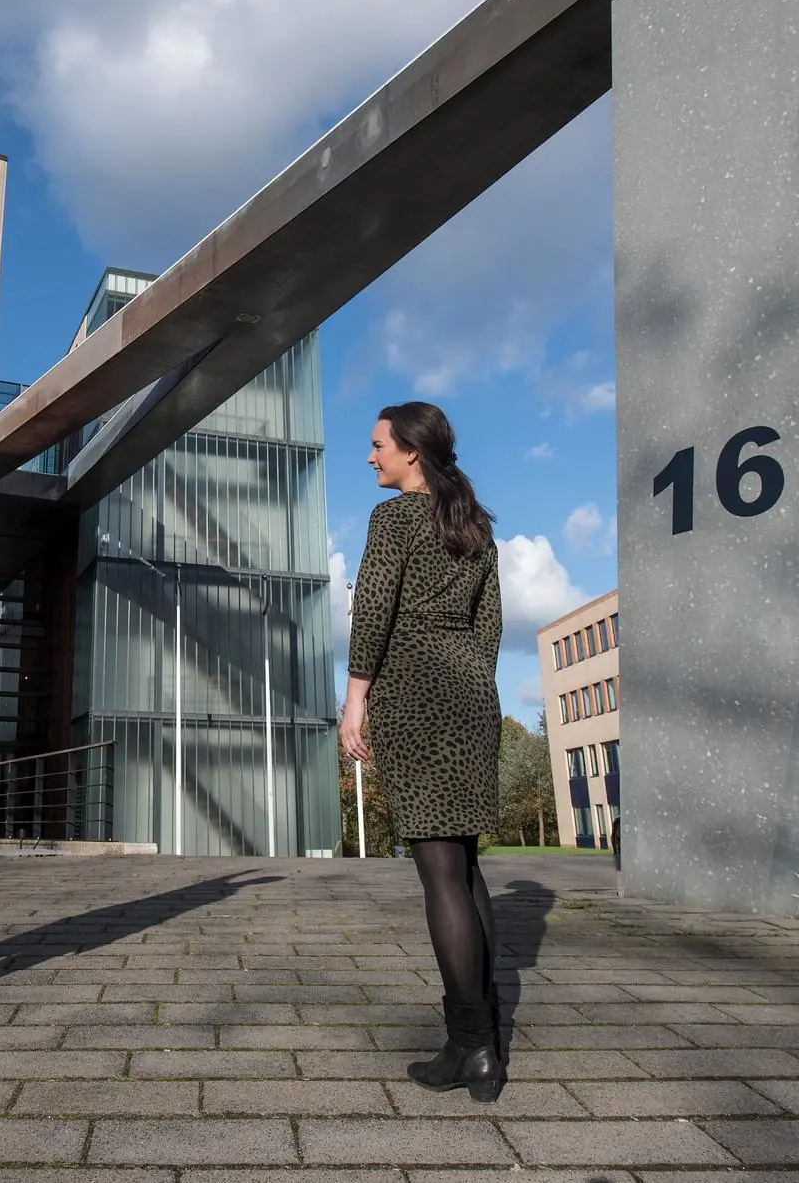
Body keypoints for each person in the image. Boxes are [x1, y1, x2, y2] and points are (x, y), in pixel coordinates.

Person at [339, 401, 505, 1103]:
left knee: (439, 873)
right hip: (471, 692)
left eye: (377, 445)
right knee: (465, 867)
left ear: (411, 450)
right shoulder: (475, 524)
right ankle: (486, 1035)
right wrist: (471, 680)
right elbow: (491, 625)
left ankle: (470, 1047)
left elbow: (373, 606)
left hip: (414, 691)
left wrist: (356, 697)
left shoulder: (394, 518)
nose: (370, 456)